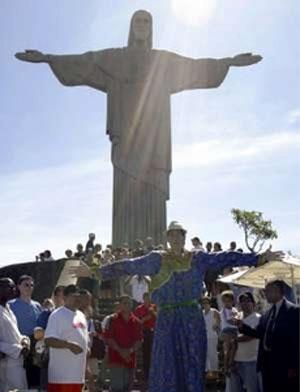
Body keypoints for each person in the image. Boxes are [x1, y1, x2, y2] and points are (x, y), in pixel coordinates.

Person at [16, 10, 262, 248]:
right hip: (126, 134)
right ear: (131, 27)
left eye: (146, 21)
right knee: (125, 185)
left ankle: (154, 248)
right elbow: (84, 62)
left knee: (153, 186)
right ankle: (124, 249)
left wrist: (228, 63)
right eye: (138, 20)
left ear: (151, 27)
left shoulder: (162, 60)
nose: (142, 24)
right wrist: (49, 58)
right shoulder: (114, 58)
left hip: (155, 135)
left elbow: (195, 67)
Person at [70, 220, 281, 392]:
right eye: (172, 235)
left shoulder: (197, 258)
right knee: (165, 375)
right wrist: (95, 271)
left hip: (192, 321)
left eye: (180, 235)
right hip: (167, 322)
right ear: (167, 238)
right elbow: (129, 265)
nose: (176, 239)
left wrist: (259, 257)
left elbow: (226, 257)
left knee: (192, 376)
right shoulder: (157, 259)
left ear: (184, 236)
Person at [238, 280, 299, 392]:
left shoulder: (294, 312)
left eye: (269, 290)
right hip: (268, 367)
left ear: (279, 291)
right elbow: (259, 333)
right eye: (265, 290)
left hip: (287, 369)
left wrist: (295, 367)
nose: (266, 293)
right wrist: (242, 327)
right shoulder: (267, 313)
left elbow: (297, 341)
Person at [45, 284, 88, 392]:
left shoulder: (81, 315)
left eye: (79, 297)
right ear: (65, 297)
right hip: (62, 375)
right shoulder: (57, 315)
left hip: (77, 374)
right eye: (75, 296)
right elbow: (49, 339)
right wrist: (68, 345)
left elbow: (83, 339)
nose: (78, 299)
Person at [227, 292, 266, 392]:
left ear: (253, 303)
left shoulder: (257, 318)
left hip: (251, 361)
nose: (244, 303)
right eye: (241, 301)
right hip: (236, 361)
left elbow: (251, 336)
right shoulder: (237, 319)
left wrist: (234, 339)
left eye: (247, 300)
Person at [103, 295, 142, 392]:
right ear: (119, 304)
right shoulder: (112, 320)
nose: (127, 305)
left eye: (129, 303)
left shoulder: (136, 321)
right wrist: (121, 351)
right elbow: (108, 338)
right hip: (116, 361)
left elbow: (139, 340)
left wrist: (130, 351)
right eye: (124, 303)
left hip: (130, 362)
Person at [8, 274, 42, 387]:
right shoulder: (10, 305)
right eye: (26, 285)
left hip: (36, 345)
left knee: (36, 374)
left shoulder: (37, 305)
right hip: (20, 343)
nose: (29, 287)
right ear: (18, 287)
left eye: (31, 285)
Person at [0, 278, 30, 392]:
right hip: (7, 364)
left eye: (13, 287)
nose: (13, 290)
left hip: (18, 362)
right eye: (9, 287)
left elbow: (15, 334)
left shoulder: (9, 310)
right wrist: (18, 350)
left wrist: (24, 340)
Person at [134, 292, 157, 382]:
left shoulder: (154, 307)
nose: (148, 300)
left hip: (154, 332)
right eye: (146, 298)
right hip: (144, 332)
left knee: (154, 354)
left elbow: (159, 318)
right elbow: (136, 322)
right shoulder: (139, 309)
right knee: (146, 354)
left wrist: (153, 313)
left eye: (149, 298)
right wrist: (145, 318)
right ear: (143, 299)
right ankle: (146, 374)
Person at [220, 290, 240, 376]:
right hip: (227, 330)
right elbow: (229, 320)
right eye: (225, 301)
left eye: (229, 301)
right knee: (227, 349)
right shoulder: (224, 311)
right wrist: (236, 321)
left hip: (234, 330)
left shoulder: (235, 309)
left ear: (232, 301)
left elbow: (237, 317)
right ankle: (225, 367)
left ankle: (230, 364)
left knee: (234, 347)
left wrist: (236, 320)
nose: (227, 303)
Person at [202, 296, 220, 373]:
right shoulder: (201, 312)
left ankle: (214, 371)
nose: (205, 304)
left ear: (210, 303)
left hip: (212, 335)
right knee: (205, 355)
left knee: (212, 354)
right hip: (203, 336)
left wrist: (216, 325)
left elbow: (218, 321)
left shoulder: (214, 311)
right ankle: (207, 371)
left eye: (206, 303)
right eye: (203, 303)